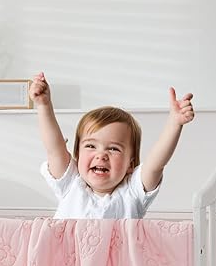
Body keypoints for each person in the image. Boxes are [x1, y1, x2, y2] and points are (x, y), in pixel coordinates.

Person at [29, 72, 195, 219]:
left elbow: (155, 165)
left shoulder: (132, 192)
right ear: (77, 155)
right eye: (91, 146)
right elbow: (55, 150)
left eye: (113, 149)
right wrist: (44, 105)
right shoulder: (71, 184)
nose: (101, 155)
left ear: (130, 164)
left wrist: (174, 124)